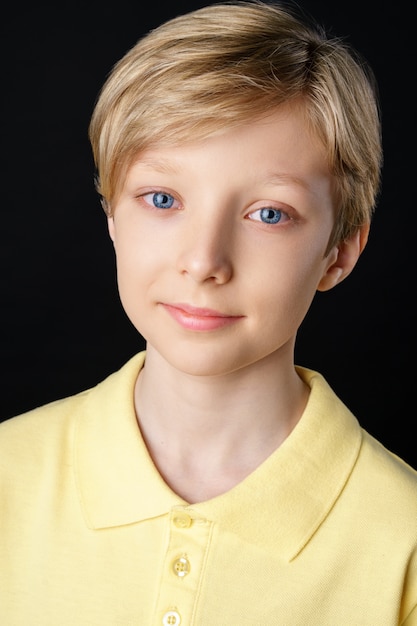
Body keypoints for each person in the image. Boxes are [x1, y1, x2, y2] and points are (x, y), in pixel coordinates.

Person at [1, 0, 416, 623]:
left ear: (339, 252)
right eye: (163, 198)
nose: (204, 261)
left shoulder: (404, 541)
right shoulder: (9, 472)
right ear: (113, 216)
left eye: (268, 213)